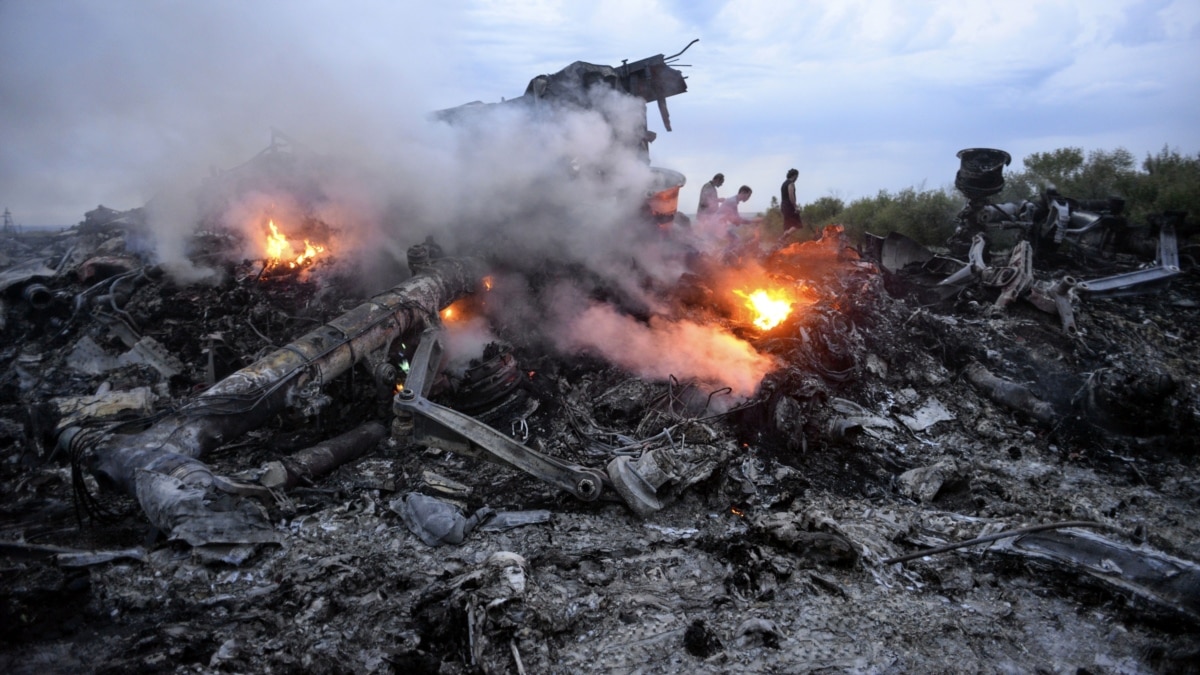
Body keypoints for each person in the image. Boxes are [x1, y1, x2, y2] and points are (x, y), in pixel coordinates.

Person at [779, 168, 804, 239]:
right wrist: (795, 206)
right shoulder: (791, 183)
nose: (797, 178)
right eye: (797, 176)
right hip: (789, 206)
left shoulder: (784, 183)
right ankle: (783, 237)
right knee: (797, 225)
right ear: (794, 175)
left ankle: (782, 243)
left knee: (787, 226)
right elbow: (791, 195)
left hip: (783, 206)